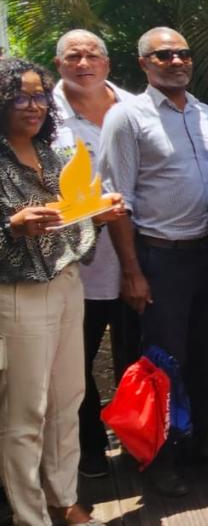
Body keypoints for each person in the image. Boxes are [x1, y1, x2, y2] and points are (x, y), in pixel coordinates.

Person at [99, 27, 208, 497]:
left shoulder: (203, 113)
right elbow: (115, 200)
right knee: (162, 362)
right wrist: (132, 270)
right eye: (164, 55)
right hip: (160, 257)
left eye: (183, 53)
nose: (177, 61)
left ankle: (198, 441)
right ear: (144, 63)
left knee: (206, 355)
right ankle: (156, 458)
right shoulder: (126, 117)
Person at [2, 58, 126, 526]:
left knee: (67, 400)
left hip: (66, 284)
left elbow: (68, 226)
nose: (33, 106)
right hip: (17, 296)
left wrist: (96, 215)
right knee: (24, 414)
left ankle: (64, 499)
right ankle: (29, 515)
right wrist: (10, 229)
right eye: (20, 96)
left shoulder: (53, 156)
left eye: (38, 96)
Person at [49, 29, 138, 479]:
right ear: (58, 63)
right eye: (73, 56)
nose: (83, 63)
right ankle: (89, 446)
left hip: (140, 258)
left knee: (137, 354)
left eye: (92, 55)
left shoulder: (135, 105)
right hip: (79, 267)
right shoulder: (44, 116)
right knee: (76, 362)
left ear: (107, 62)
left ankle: (141, 438)